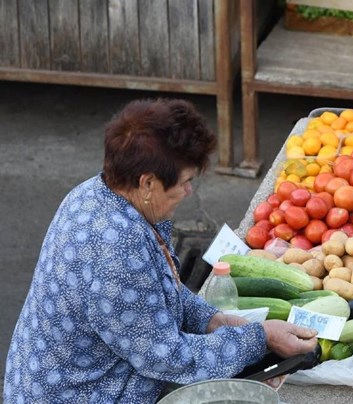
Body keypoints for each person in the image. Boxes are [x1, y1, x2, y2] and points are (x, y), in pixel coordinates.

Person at [4, 99, 318, 403]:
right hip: (79, 393)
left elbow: (159, 289)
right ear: (148, 183)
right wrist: (259, 338)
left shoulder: (99, 190)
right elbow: (168, 358)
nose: (189, 191)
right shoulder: (117, 252)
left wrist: (215, 321)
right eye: (184, 182)